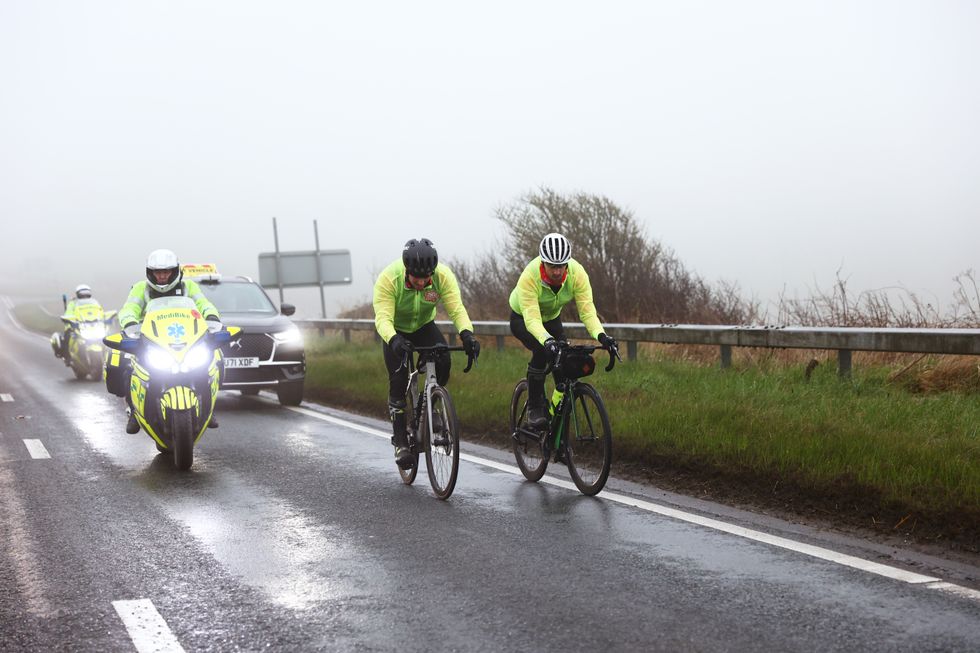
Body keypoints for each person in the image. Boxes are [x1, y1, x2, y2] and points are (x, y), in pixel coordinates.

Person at [373, 238, 481, 468]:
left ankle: (428, 409)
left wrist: (467, 335)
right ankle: (401, 440)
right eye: (416, 278)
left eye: (426, 278)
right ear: (407, 271)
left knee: (444, 360)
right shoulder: (389, 279)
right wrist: (393, 340)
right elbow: (382, 318)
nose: (422, 283)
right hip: (396, 331)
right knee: (399, 378)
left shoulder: (442, 276)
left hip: (423, 327)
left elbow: (456, 308)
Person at [509, 232, 618, 427]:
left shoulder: (577, 273)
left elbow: (587, 311)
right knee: (542, 351)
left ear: (567, 263)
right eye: (552, 266)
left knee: (564, 367)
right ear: (543, 263)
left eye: (561, 266)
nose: (557, 271)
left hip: (551, 319)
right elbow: (532, 319)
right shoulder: (529, 276)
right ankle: (535, 406)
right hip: (523, 319)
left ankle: (559, 434)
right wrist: (547, 341)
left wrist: (602, 336)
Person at [118, 249, 222, 434]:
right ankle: (134, 410)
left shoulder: (189, 286)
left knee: (214, 359)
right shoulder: (141, 288)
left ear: (175, 271)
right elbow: (129, 309)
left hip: (187, 339)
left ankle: (208, 408)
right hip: (150, 340)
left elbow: (204, 304)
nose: (162, 276)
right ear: (150, 272)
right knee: (127, 365)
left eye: (166, 271)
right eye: (158, 272)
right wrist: (130, 324)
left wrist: (212, 317)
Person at [58, 284, 97, 361]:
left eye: (86, 293)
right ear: (78, 294)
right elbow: (68, 314)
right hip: (75, 326)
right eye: (82, 294)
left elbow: (100, 313)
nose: (85, 295)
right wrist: (71, 321)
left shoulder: (94, 303)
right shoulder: (73, 303)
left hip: (92, 326)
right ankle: (67, 357)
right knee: (67, 337)